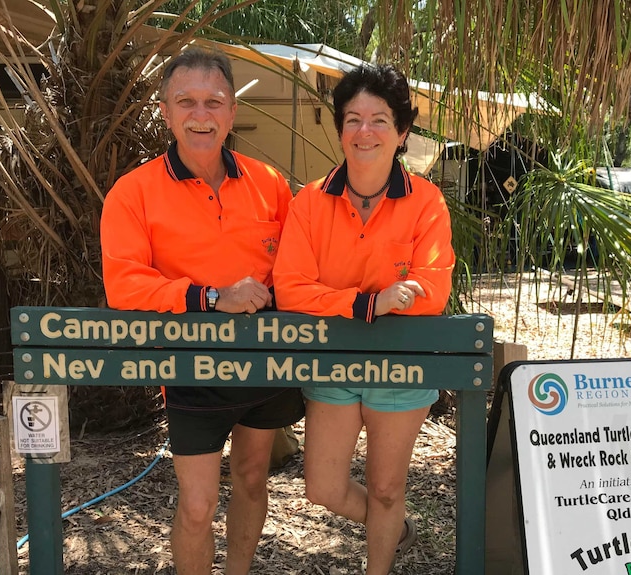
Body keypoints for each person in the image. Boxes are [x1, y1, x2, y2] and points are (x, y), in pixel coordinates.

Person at [99, 47, 305, 575]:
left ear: (232, 112)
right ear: (165, 112)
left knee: (254, 480)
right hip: (191, 369)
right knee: (197, 505)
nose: (200, 114)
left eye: (214, 102)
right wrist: (213, 297)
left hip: (268, 363)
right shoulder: (133, 193)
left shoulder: (270, 184)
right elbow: (125, 286)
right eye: (186, 101)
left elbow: (299, 267)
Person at [273, 64, 455, 575]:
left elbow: (431, 290)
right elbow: (290, 287)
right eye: (353, 119)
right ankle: (394, 527)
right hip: (333, 364)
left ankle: (380, 558)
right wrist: (367, 304)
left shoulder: (426, 202)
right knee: (323, 488)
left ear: (401, 132)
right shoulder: (310, 202)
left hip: (401, 365)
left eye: (379, 119)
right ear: (339, 130)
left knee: (385, 487)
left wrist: (337, 297)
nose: (365, 131)